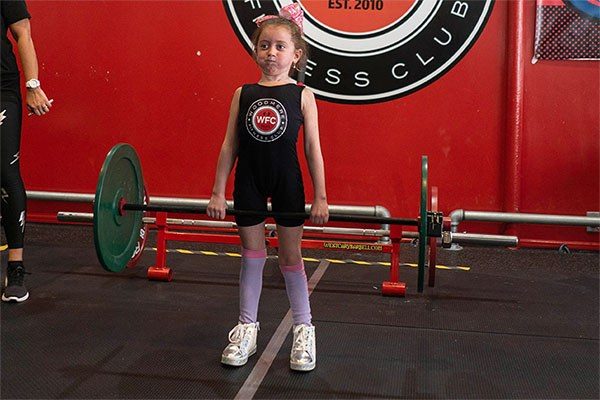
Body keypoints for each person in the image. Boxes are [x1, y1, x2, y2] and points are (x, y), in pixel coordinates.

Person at [207, 3, 328, 372]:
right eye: (264, 46)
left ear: (296, 55)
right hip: (250, 182)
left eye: (279, 46)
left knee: (290, 258)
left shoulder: (303, 95)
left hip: (287, 182)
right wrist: (217, 191)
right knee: (252, 256)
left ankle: (304, 330)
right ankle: (246, 328)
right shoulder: (241, 92)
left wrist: (321, 196)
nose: (271, 53)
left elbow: (312, 148)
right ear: (255, 50)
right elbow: (230, 144)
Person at [1, 0, 52, 303]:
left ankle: (15, 266)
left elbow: (23, 33)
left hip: (1, 89)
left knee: (6, 172)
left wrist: (33, 85)